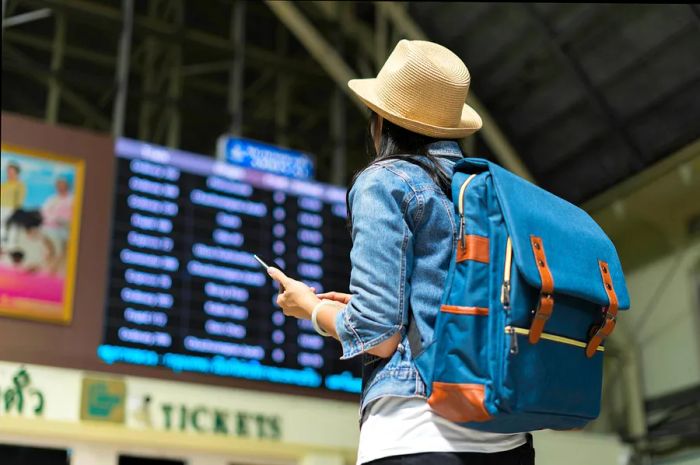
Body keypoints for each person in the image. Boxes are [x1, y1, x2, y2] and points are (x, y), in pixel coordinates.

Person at [268, 40, 535, 465]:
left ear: (382, 120)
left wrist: (310, 310)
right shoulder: (488, 190)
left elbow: (379, 335)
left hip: (417, 432)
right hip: (509, 438)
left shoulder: (386, 181)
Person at [40, 176, 74, 273]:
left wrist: (62, 220)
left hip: (64, 229)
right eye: (58, 185)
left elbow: (73, 217)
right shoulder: (51, 199)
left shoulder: (72, 199)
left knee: (59, 250)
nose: (60, 187)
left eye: (63, 185)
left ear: (67, 186)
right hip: (49, 228)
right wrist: (51, 219)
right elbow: (44, 213)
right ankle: (49, 269)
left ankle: (52, 270)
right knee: (48, 249)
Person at [1, 162, 27, 244]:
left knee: (11, 232)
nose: (10, 173)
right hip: (1, 209)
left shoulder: (20, 185)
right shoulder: (3, 185)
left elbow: (19, 200)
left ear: (17, 173)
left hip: (12, 210)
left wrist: (15, 213)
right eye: (8, 171)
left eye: (12, 171)